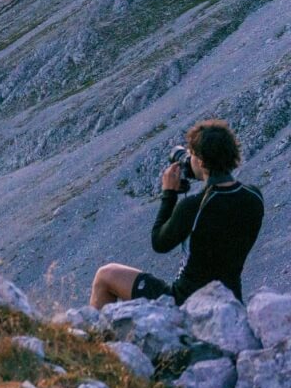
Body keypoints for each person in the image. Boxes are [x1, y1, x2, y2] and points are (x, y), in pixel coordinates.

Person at [90, 119, 264, 308]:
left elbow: (159, 243)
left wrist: (169, 195)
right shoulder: (254, 196)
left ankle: (94, 336)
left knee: (105, 275)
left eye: (192, 155)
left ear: (202, 161)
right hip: (231, 300)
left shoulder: (195, 206)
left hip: (185, 302)